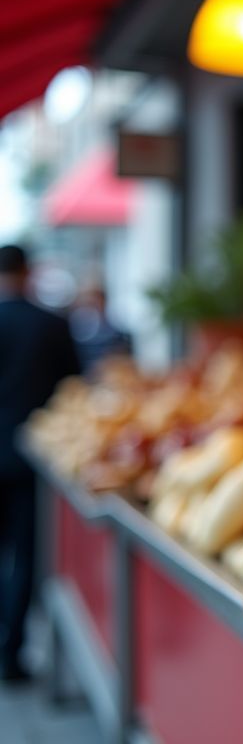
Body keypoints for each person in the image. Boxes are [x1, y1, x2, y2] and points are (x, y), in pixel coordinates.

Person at [0, 245, 81, 683]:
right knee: (26, 554)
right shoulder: (50, 324)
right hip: (29, 456)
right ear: (27, 271)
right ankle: (11, 652)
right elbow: (74, 391)